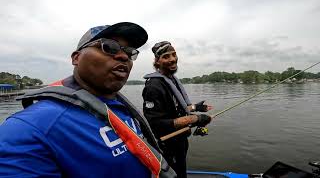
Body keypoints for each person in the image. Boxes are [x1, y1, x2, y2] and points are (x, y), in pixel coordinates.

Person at [0, 22, 176, 178]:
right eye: (108, 47)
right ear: (76, 58)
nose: (123, 57)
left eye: (130, 53)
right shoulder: (31, 128)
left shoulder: (118, 106)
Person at [142, 41, 213, 178]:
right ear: (157, 61)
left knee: (181, 171)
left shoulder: (171, 79)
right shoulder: (153, 87)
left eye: (174, 55)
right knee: (175, 174)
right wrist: (196, 118)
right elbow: (156, 123)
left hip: (180, 139)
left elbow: (176, 106)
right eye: (166, 56)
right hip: (167, 144)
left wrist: (197, 108)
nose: (173, 59)